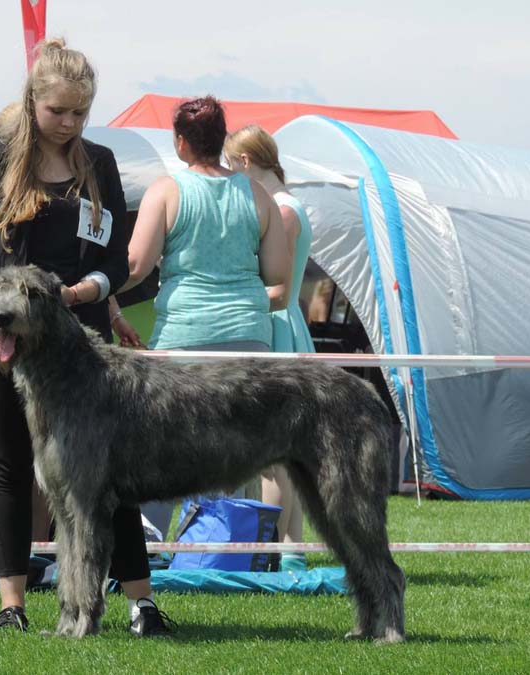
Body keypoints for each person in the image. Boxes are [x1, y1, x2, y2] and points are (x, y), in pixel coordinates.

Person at [0, 39, 171, 636]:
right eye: (57, 112)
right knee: (11, 466)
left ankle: (140, 604)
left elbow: (117, 259)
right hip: (3, 335)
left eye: (79, 113)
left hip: (81, 344)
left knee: (109, 472)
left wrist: (86, 292)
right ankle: (12, 603)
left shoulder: (99, 161)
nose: (68, 124)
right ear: (33, 100)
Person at [122, 96, 288, 536]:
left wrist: (95, 287)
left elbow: (136, 265)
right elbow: (278, 274)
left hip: (184, 334)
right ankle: (222, 542)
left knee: (158, 443)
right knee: (232, 446)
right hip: (249, 336)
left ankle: (147, 542)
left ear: (180, 143)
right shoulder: (257, 194)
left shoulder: (166, 191)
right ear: (221, 140)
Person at [224, 124, 315, 572]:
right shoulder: (289, 205)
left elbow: (274, 282)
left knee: (273, 454)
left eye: (230, 166)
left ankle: (274, 548)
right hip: (287, 326)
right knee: (288, 454)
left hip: (277, 326)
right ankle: (290, 546)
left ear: (244, 163)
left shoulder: (281, 211)